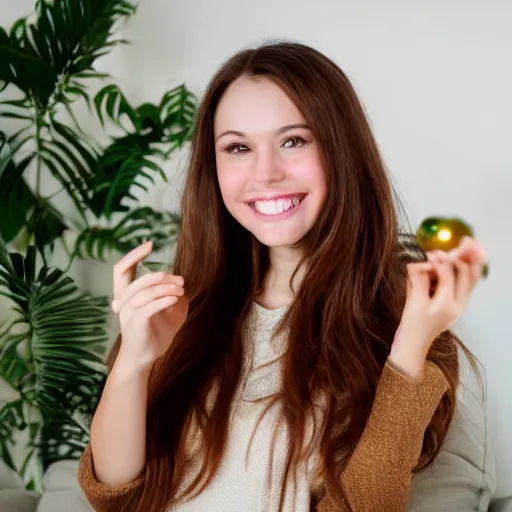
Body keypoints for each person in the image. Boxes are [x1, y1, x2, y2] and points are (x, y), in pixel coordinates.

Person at [77, 41, 487, 512]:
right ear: (213, 169)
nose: (265, 173)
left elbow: (364, 506)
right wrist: (134, 360)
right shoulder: (187, 307)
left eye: (293, 141)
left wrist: (410, 347)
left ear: (340, 149)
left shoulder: (403, 320)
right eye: (237, 148)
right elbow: (112, 496)